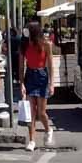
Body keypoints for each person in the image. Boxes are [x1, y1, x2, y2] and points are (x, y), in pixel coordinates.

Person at [18, 21, 53, 152]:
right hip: (30, 75)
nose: (25, 32)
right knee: (31, 111)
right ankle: (32, 140)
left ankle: (48, 129)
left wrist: (51, 83)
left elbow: (50, 65)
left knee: (41, 112)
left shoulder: (46, 44)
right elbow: (21, 66)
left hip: (42, 75)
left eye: (28, 29)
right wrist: (21, 83)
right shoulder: (24, 45)